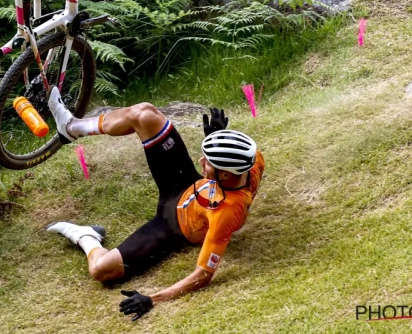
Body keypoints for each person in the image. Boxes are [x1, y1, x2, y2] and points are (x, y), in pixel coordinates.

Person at [45, 87, 264, 321]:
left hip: (172, 227)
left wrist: (153, 299)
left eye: (208, 162)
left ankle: (86, 236)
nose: (201, 161)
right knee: (145, 113)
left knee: (101, 270)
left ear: (226, 175)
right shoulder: (252, 160)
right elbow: (229, 159)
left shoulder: (227, 213)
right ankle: (71, 127)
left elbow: (203, 275)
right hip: (184, 183)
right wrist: (218, 139)